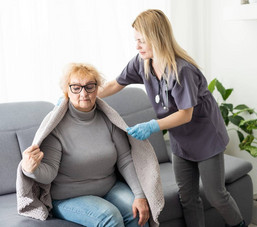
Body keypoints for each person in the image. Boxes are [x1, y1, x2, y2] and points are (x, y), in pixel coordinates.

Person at [98, 9, 246, 227]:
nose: (136, 46)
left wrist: (152, 126)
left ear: (156, 38)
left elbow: (186, 114)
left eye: (141, 40)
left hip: (206, 137)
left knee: (216, 195)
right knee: (187, 197)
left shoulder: (182, 70)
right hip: (180, 140)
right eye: (135, 40)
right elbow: (113, 84)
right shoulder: (142, 62)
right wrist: (83, 95)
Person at [17, 63, 164, 227]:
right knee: (111, 217)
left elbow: (125, 160)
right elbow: (49, 173)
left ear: (97, 88)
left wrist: (139, 195)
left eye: (89, 86)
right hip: (69, 197)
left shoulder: (108, 119)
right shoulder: (56, 128)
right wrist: (30, 169)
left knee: (136, 212)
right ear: (67, 91)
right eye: (76, 88)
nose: (84, 93)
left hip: (108, 188)